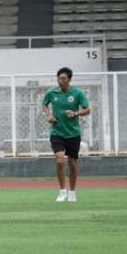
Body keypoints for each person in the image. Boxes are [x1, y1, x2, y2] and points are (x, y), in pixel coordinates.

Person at [42, 67, 90, 202]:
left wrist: (75, 113)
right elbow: (44, 104)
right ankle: (62, 190)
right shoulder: (52, 92)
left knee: (73, 163)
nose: (60, 80)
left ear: (69, 79)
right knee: (59, 160)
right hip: (57, 132)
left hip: (73, 133)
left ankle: (72, 191)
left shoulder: (77, 93)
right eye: (59, 78)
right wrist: (49, 115)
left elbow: (87, 110)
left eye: (63, 78)